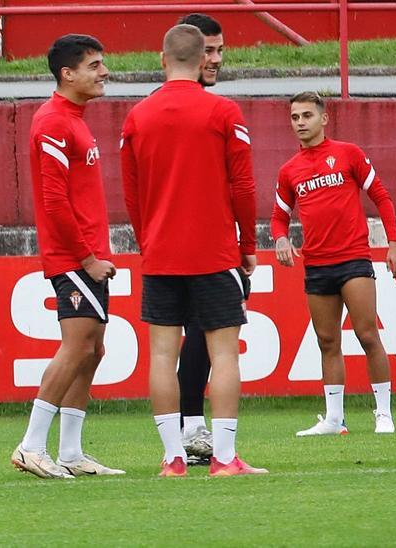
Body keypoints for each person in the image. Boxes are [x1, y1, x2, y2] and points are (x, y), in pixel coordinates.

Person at [120, 25, 265, 477]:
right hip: (214, 253)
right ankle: (223, 458)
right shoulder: (223, 112)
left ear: (162, 60)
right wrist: (247, 245)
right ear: (204, 61)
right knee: (223, 354)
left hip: (162, 254)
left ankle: (173, 459)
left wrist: (151, 242)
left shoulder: (137, 117)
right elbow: (243, 184)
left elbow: (131, 194)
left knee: (163, 354)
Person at [9, 34, 125, 480]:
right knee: (78, 346)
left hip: (87, 253)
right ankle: (30, 445)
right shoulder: (54, 121)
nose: (104, 72)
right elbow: (54, 202)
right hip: (74, 257)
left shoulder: (74, 118)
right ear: (68, 74)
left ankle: (71, 451)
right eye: (95, 65)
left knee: (93, 349)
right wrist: (87, 258)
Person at [273, 91, 396, 436]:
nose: (300, 123)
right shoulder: (289, 171)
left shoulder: (348, 154)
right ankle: (334, 420)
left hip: (354, 259)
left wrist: (394, 243)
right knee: (327, 341)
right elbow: (277, 216)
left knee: (367, 334)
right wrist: (281, 238)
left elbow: (382, 196)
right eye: (295, 117)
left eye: (306, 116)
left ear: (323, 118)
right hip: (316, 266)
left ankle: (383, 414)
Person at [170, 12, 238, 464]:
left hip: (184, 240)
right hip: (203, 242)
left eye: (219, 50)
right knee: (207, 335)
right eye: (208, 51)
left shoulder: (160, 106)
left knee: (193, 336)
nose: (214, 60)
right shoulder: (212, 111)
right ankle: (191, 429)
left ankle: (185, 434)